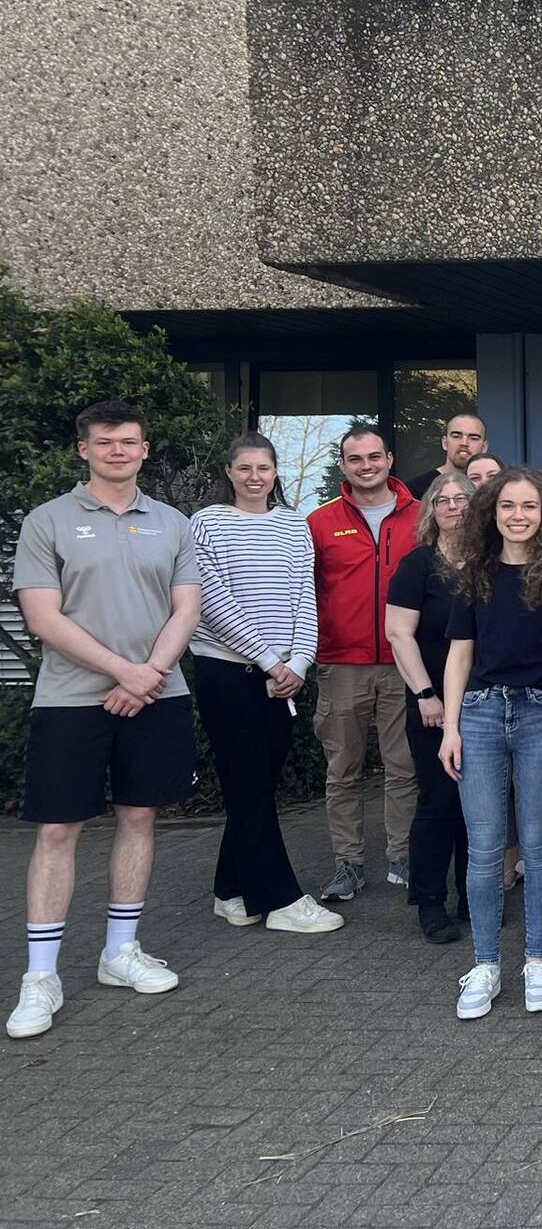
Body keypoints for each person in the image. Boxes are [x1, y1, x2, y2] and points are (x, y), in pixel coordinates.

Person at [8, 402, 202, 1040]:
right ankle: (41, 975)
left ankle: (120, 952)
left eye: (128, 441)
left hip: (156, 693)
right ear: (83, 449)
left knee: (139, 818)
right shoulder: (48, 521)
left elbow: (186, 608)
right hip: (71, 699)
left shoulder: (172, 523)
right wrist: (127, 672)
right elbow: (43, 617)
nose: (117, 450)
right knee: (58, 829)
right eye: (104, 441)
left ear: (145, 450)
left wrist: (149, 675)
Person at [188, 432, 340, 936]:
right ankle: (279, 899)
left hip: (282, 677)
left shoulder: (293, 524)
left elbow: (304, 597)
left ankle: (230, 889)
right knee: (249, 782)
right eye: (245, 468)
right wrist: (271, 661)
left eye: (264, 468)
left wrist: (299, 662)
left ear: (276, 473)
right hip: (227, 672)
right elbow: (213, 601)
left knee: (256, 784)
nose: (255, 477)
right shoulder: (206, 523)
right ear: (229, 473)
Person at [438, 469, 542, 1020]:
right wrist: (450, 727)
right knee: (486, 848)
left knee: (539, 846)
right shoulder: (475, 573)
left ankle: (538, 959)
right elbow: (459, 654)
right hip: (480, 715)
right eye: (508, 506)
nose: (518, 516)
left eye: (530, 506)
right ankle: (486, 963)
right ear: (491, 512)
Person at [308, 424, 418, 903]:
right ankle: (348, 864)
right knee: (342, 770)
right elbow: (304, 591)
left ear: (389, 459)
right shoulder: (320, 522)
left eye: (374, 456)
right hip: (341, 661)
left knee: (404, 766)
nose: (366, 466)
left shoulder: (421, 516)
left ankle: (404, 858)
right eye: (356, 459)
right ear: (344, 465)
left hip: (403, 661)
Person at [386, 470, 475, 944]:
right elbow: (399, 634)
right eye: (444, 500)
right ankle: (429, 902)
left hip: (481, 701)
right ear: (431, 510)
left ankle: (471, 895)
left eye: (463, 499)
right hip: (433, 703)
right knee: (439, 801)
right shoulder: (418, 564)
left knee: (477, 804)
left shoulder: (488, 561)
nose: (454, 506)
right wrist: (425, 694)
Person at [404, 411, 489, 499]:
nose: (464, 443)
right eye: (456, 436)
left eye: (474, 438)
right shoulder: (415, 490)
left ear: (484, 447)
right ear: (445, 443)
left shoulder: (493, 489)